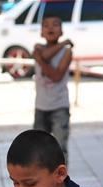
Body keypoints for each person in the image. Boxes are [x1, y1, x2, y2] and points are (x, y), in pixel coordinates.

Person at [32, 15, 73, 160]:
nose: (50, 28)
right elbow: (45, 54)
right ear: (41, 32)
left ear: (61, 31)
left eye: (55, 25)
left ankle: (62, 180)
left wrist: (40, 61)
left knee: (60, 147)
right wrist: (63, 43)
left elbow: (56, 76)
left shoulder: (67, 52)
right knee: (38, 148)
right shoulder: (38, 47)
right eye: (46, 25)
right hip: (41, 106)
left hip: (59, 106)